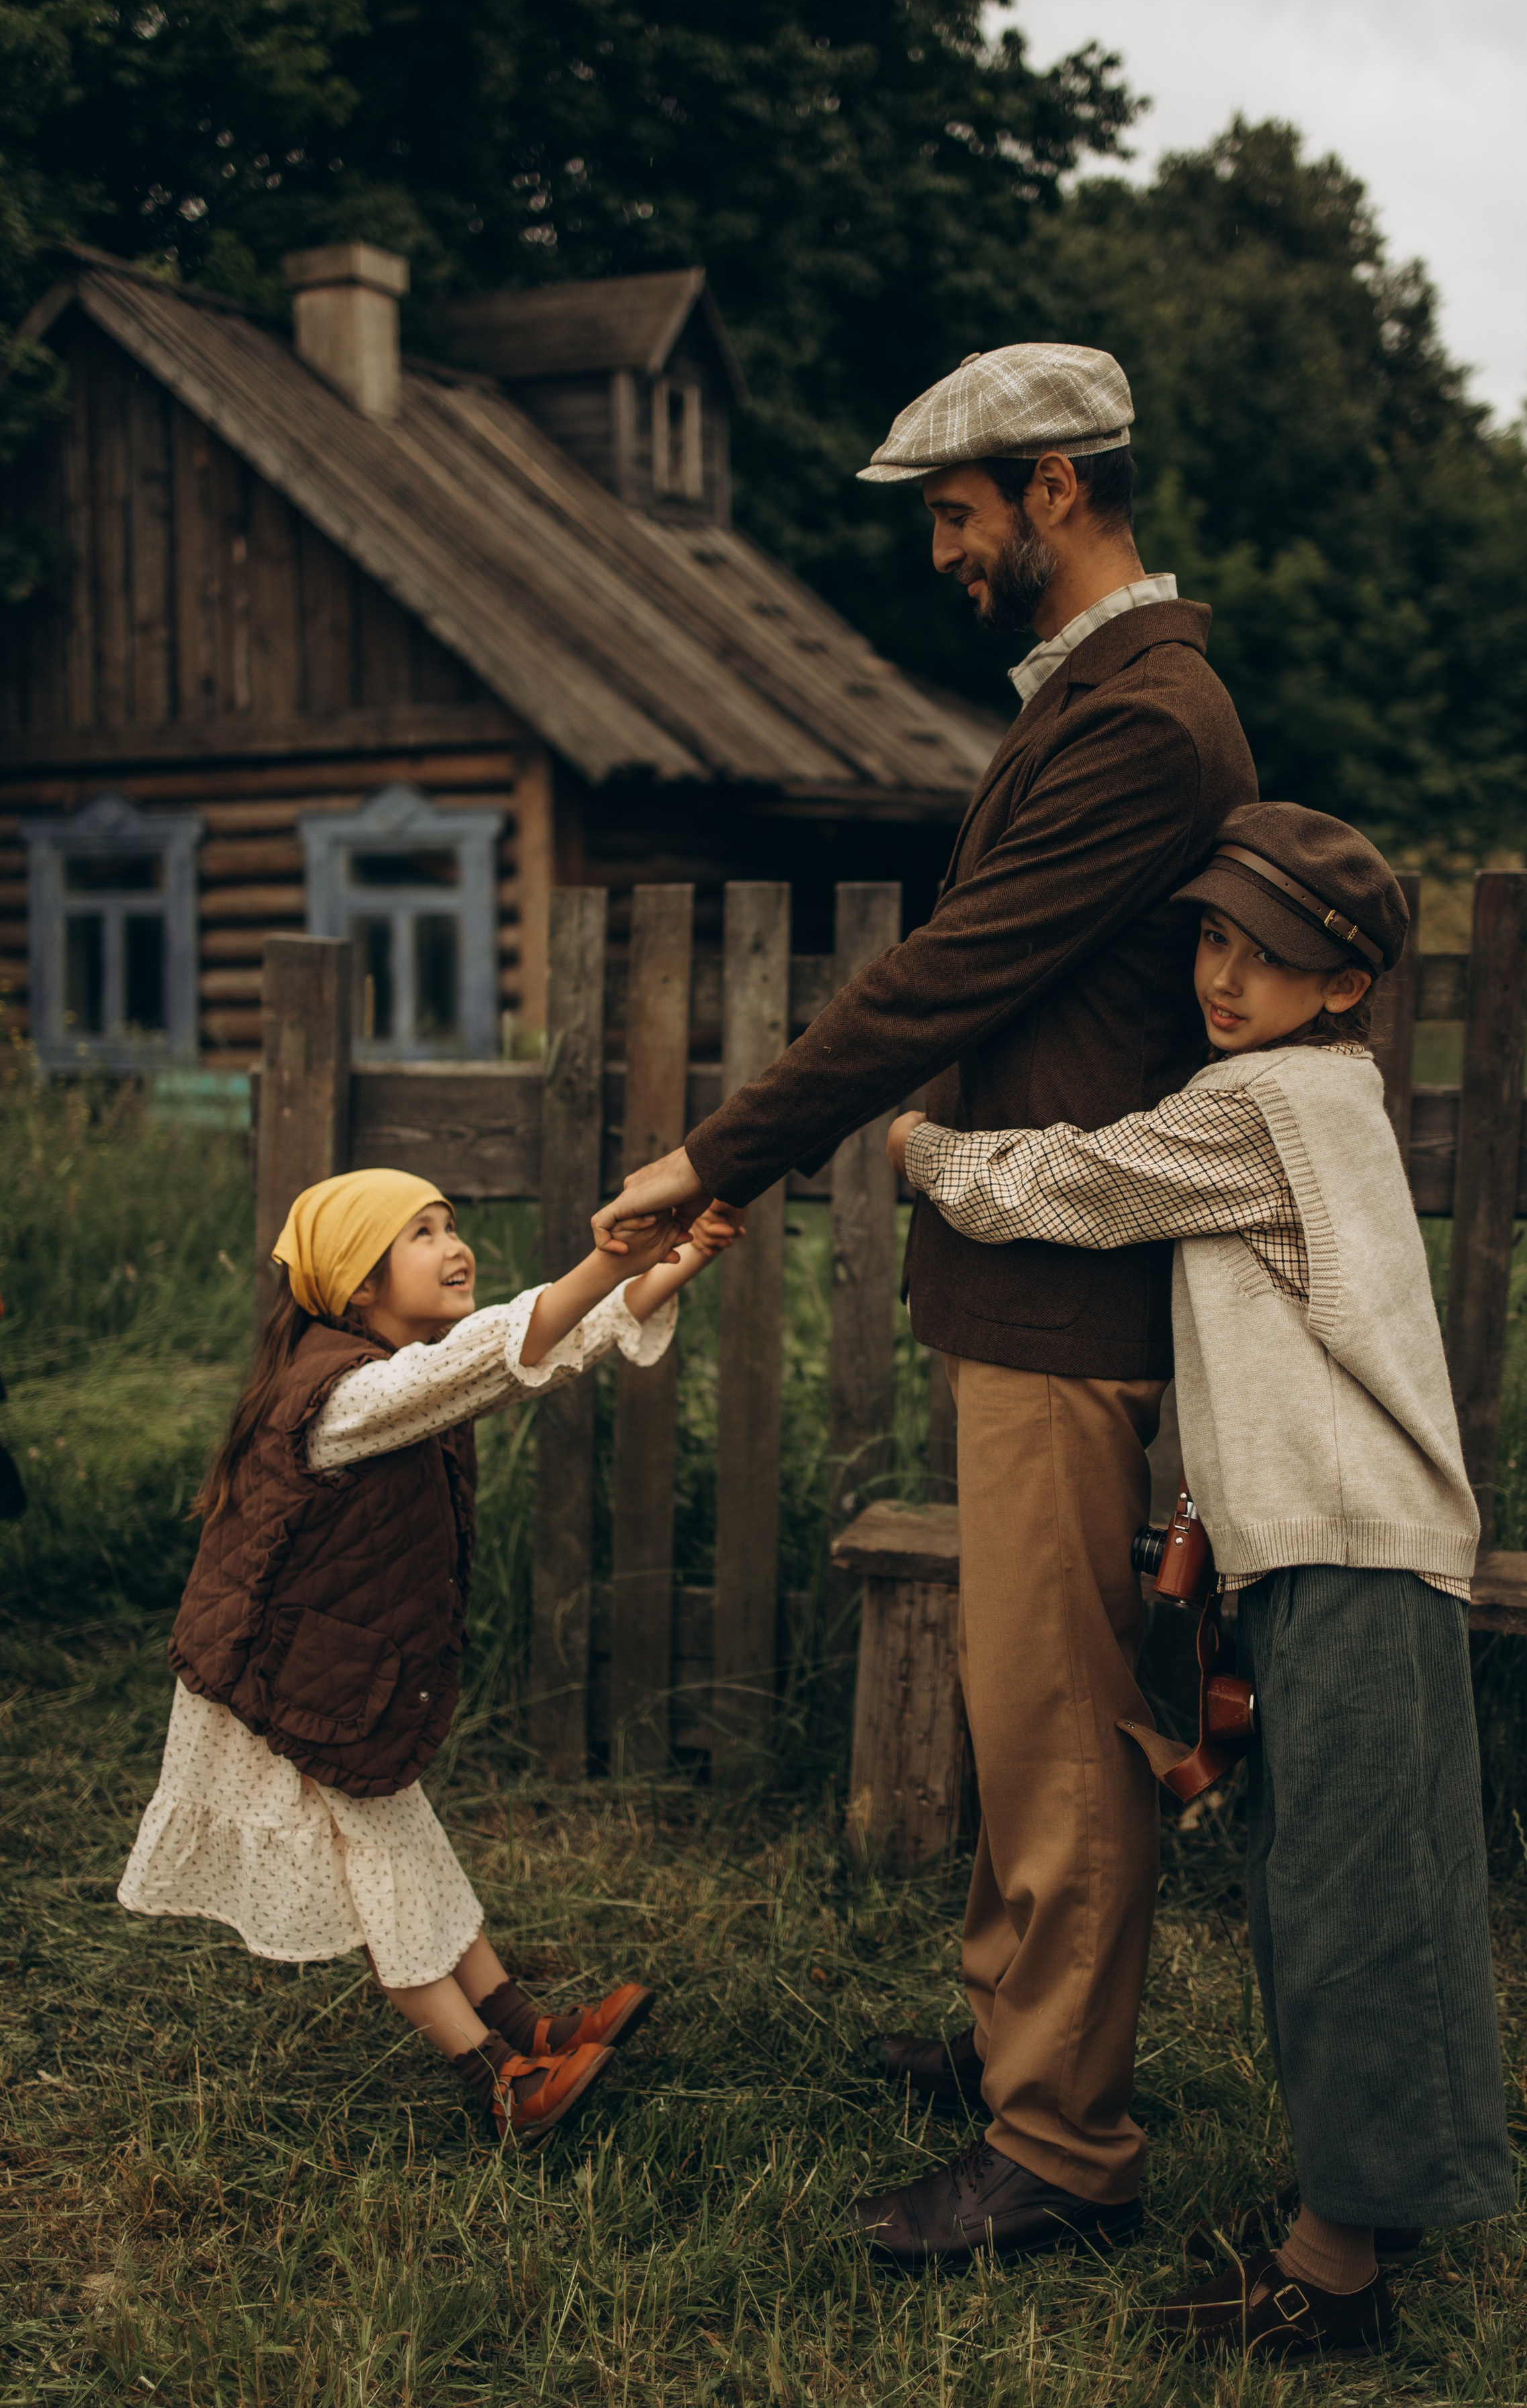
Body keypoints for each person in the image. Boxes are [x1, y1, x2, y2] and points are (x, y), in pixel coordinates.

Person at [592, 343, 1258, 2258]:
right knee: (1012, 1692)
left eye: (959, 514)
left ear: (1058, 487)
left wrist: (719, 1152)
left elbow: (948, 975)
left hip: (1076, 1305)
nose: (942, 552)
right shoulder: (1092, 703)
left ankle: (1061, 2149)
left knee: (1058, 1719)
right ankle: (1010, 2042)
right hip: (1024, 1288)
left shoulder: (1149, 721)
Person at [889, 801, 1513, 2356]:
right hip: (1316, 1543)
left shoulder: (1272, 1103)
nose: (1224, 978)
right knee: (1324, 1876)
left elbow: (1062, 1184)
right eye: (1213, 941)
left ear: (1345, 982)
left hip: (1356, 1545)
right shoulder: (1289, 1089)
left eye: (1272, 955)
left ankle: (1335, 2275)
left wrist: (913, 1140)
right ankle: (1345, 2223)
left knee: (1355, 1898)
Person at [120, 1168, 726, 2150]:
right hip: (278, 1681)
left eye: (452, 1223)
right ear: (359, 1283)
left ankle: (523, 2024)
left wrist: (677, 1258)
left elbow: (544, 1349)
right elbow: (505, 1346)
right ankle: (498, 2080)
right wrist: (613, 1258)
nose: (455, 1246)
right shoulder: (350, 1394)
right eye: (422, 1233)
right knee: (384, 1874)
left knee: (407, 1847)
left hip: (325, 1670)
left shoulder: (389, 1373)